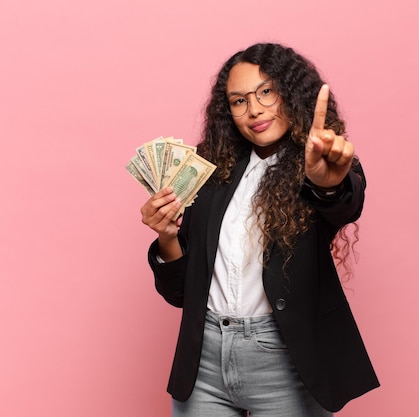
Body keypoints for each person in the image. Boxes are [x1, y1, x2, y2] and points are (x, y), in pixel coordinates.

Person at [140, 42, 379, 416]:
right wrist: (167, 237)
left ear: (291, 93)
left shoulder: (321, 164)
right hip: (204, 360)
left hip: (286, 361)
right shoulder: (210, 171)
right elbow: (180, 293)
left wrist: (326, 182)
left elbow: (345, 202)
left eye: (266, 92)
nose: (254, 110)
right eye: (239, 101)